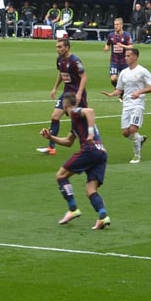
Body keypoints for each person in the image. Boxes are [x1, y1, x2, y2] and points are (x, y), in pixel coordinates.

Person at [39, 93, 111, 230]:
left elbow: (90, 111)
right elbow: (68, 142)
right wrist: (51, 137)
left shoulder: (75, 112)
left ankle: (73, 209)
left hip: (90, 150)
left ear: (65, 106)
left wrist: (90, 133)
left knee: (60, 176)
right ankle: (103, 216)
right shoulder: (76, 121)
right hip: (101, 153)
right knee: (91, 190)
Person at [100, 48, 151, 163]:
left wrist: (139, 92)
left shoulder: (142, 71)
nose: (125, 58)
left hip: (138, 104)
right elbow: (119, 89)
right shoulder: (123, 72)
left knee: (132, 129)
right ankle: (140, 139)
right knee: (125, 133)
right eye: (125, 56)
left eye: (128, 56)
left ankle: (137, 156)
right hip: (126, 105)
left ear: (135, 57)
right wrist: (112, 94)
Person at [37, 38, 89, 155]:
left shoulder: (75, 61)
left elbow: (84, 77)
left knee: (78, 122)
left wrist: (79, 94)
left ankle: (87, 146)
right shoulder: (59, 59)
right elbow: (61, 73)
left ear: (67, 47)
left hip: (76, 95)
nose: (57, 49)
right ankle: (51, 148)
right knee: (55, 116)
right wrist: (55, 88)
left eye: (60, 47)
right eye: (57, 47)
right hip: (66, 93)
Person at [103, 17, 133, 87]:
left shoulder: (126, 35)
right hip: (114, 61)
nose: (115, 26)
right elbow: (107, 44)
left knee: (126, 80)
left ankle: (123, 92)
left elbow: (131, 47)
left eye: (117, 24)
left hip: (125, 61)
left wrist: (123, 46)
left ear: (121, 25)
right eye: (114, 24)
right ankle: (119, 91)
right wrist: (106, 48)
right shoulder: (111, 35)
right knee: (113, 79)